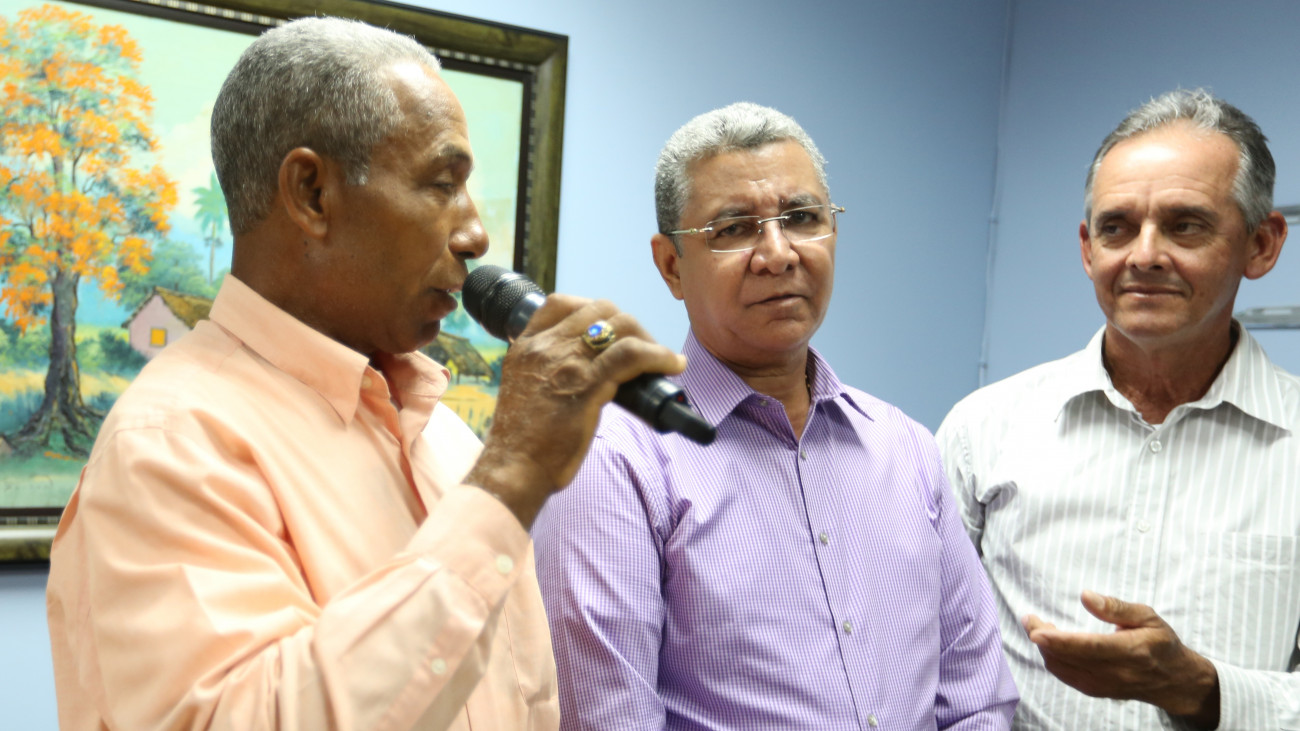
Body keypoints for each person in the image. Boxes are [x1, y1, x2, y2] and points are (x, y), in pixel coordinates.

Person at [45, 17, 684, 730]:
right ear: (312, 193)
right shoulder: (167, 447)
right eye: (442, 184)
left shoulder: (448, 439)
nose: (475, 234)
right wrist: (511, 477)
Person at [532, 102, 1018, 730]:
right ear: (672, 265)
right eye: (735, 228)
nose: (779, 253)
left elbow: (977, 701)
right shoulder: (613, 456)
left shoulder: (905, 448)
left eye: (802, 218)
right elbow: (606, 719)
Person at [937, 88, 1298, 730]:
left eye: (1186, 225)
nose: (1145, 255)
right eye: (1117, 227)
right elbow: (917, 649)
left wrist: (1202, 690)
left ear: (1262, 246)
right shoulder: (982, 431)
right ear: (1087, 249)